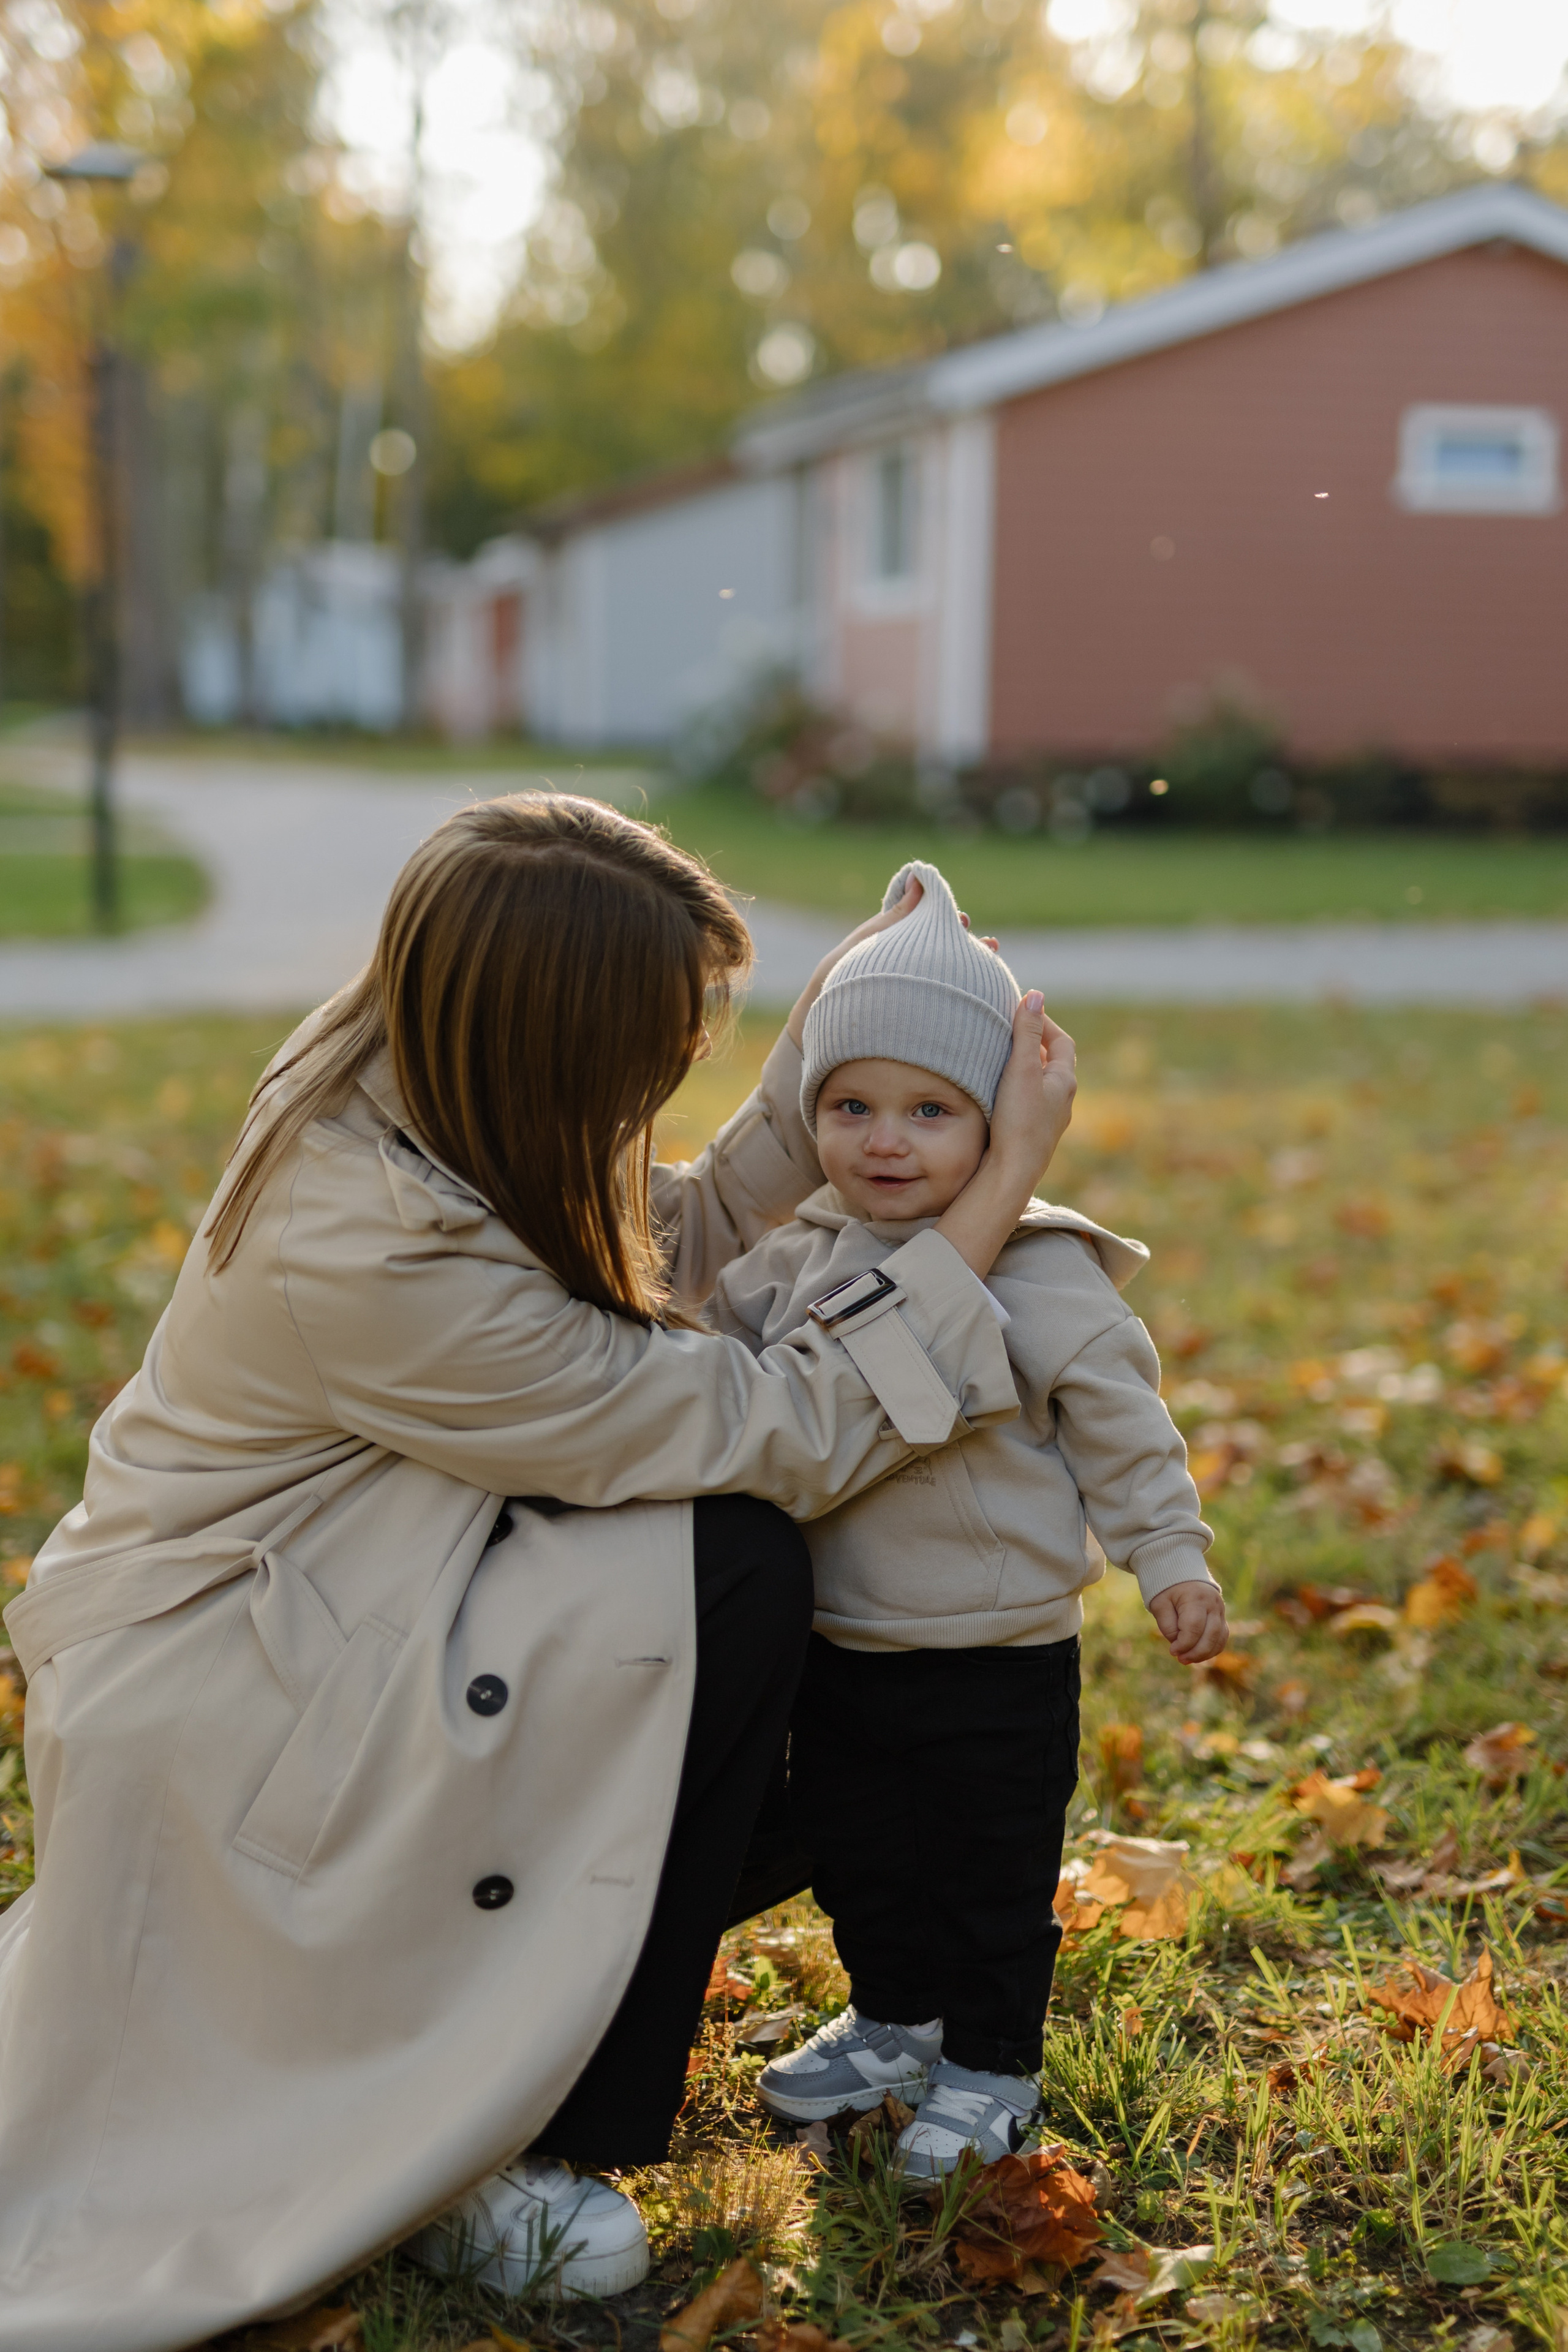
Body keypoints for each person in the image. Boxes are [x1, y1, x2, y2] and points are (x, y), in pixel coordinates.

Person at [0, 798, 1076, 2351]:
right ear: (549, 1038)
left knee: (776, 1643)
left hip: (367, 1571)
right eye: (658, 1046)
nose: (671, 1073)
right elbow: (778, 1427)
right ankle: (520, 2133)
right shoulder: (376, 1249)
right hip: (243, 1676)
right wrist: (997, 1185)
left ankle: (556, 2010)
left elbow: (664, 1240)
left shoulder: (431, 1078)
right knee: (735, 1576)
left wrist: (840, 1042)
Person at [707, 861, 1228, 2175]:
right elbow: (722, 1378)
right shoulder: (795, 1259)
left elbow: (1122, 1426)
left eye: (929, 1111)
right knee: (862, 1858)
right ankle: (899, 2019)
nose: (885, 1141)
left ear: (998, 1124)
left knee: (987, 1878)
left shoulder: (1042, 1270)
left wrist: (1169, 1555)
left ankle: (992, 2063)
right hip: (843, 1647)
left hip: (999, 1656)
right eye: (851, 1107)